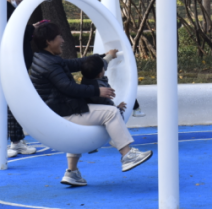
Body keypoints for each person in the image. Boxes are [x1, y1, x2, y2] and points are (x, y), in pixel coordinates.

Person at [28, 21, 152, 187]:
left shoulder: (45, 58)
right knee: (111, 113)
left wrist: (102, 56)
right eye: (59, 37)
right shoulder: (50, 64)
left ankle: (72, 173)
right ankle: (127, 155)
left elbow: (75, 63)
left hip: (59, 110)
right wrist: (96, 91)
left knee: (79, 133)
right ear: (49, 41)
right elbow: (68, 87)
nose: (63, 40)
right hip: (64, 112)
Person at [5, 0, 37, 158]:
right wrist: (31, 29)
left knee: (13, 102)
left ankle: (16, 141)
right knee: (11, 103)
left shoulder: (10, 10)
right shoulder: (4, 10)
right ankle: (14, 142)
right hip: (11, 64)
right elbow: (14, 33)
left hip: (16, 64)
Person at [80, 54, 144, 119]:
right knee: (117, 116)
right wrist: (117, 108)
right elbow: (105, 103)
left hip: (90, 106)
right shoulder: (99, 88)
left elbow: (104, 64)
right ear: (100, 74)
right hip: (96, 112)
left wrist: (110, 55)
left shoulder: (88, 75)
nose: (104, 68)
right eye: (103, 68)